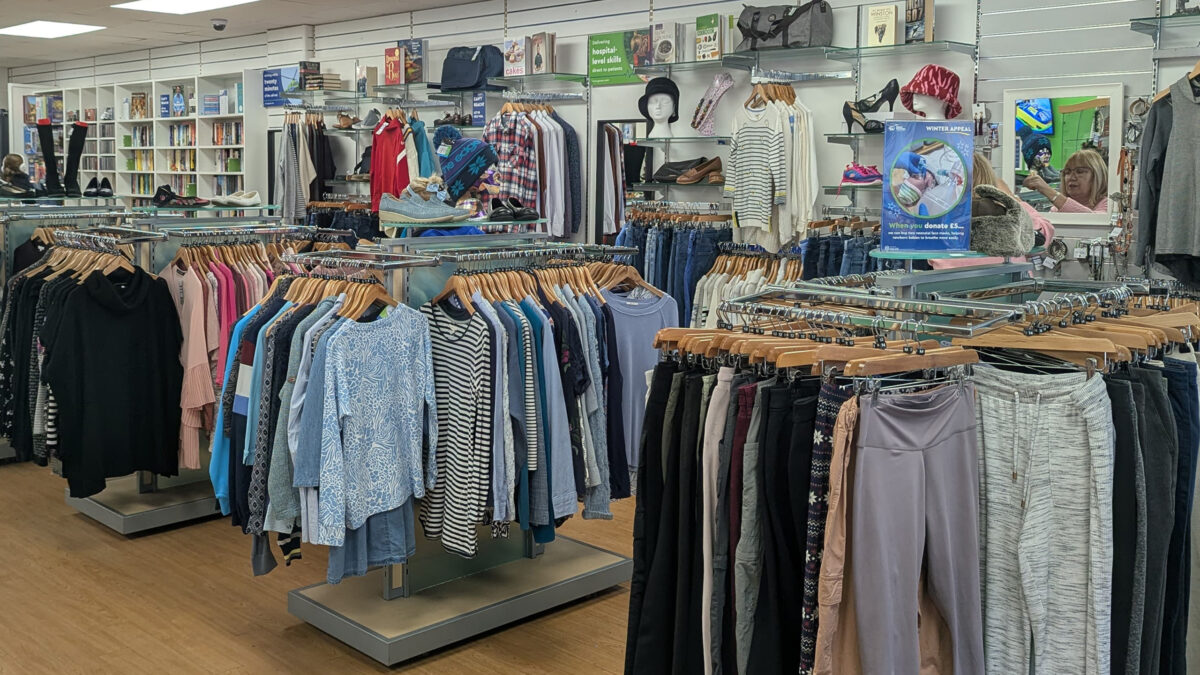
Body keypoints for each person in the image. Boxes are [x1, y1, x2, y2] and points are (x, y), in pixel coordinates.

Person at [929, 153, 1054, 269]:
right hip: (1010, 289)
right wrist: (1011, 198)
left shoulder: (939, 222)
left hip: (949, 289)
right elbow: (1044, 235)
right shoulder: (1006, 220)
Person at [1022, 148, 1108, 213]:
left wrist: (1048, 191)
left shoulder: (1109, 205)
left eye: (1080, 171)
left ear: (1097, 176)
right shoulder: (1055, 209)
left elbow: (1093, 221)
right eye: (1067, 172)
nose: (1072, 177)